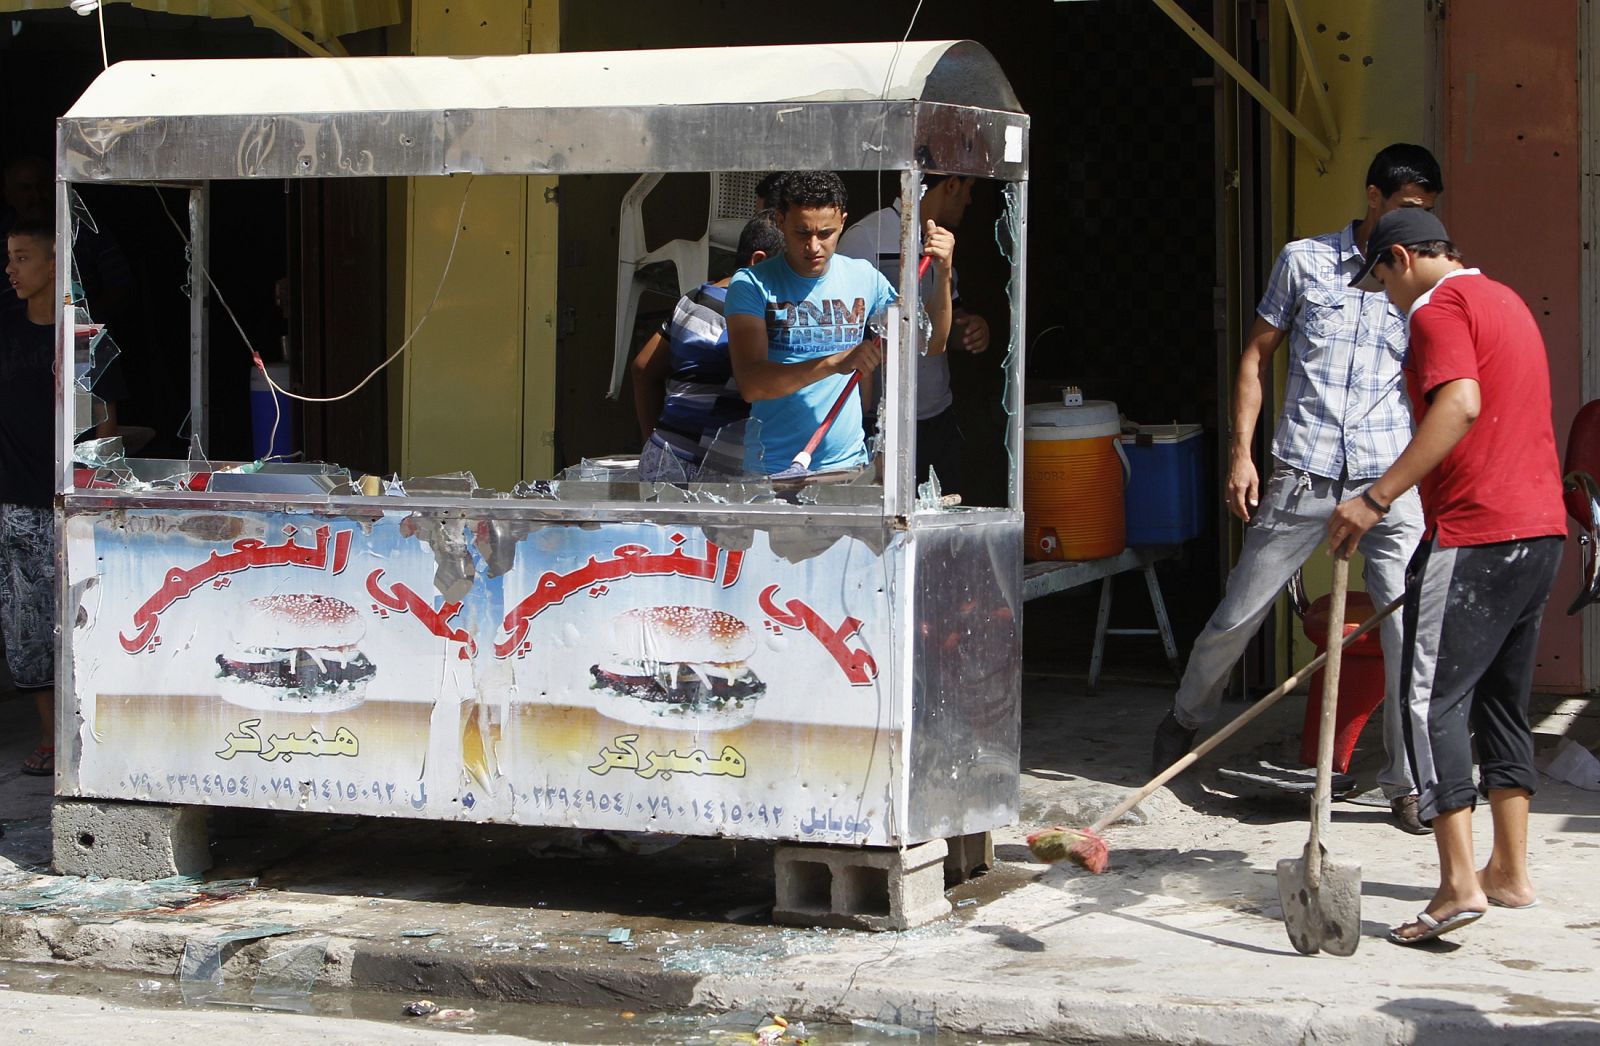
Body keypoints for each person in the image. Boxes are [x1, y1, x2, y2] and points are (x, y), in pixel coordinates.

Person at [1151, 144, 1443, 834]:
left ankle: (1408, 784)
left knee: (1406, 630)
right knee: (1238, 615)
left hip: (1386, 478)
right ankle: (1185, 720)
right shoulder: (1305, 262)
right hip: (1305, 471)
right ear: (1373, 198)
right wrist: (1241, 453)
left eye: (1426, 214)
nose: (1416, 227)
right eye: (1406, 209)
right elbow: (1256, 354)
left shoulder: (1423, 278)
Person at [1330, 209, 1565, 944]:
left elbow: (1460, 404)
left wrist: (1375, 498)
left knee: (1429, 704)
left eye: (1382, 280)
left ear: (1401, 258)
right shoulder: (1506, 299)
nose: (1387, 296)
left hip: (1476, 531)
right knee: (1501, 702)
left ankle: (1459, 882)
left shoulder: (1439, 309)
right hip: (1540, 531)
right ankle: (1509, 873)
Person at [725, 170, 954, 476]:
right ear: (780, 221)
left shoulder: (863, 276)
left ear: (843, 222)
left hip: (847, 466)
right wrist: (834, 363)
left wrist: (945, 272)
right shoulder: (751, 283)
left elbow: (931, 342)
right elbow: (752, 384)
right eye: (802, 233)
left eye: (826, 233)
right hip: (773, 469)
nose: (814, 246)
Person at [836, 174, 991, 492]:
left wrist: (974, 330)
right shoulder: (866, 238)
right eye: (969, 189)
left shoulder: (941, 244)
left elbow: (941, 336)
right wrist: (864, 419)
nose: (970, 200)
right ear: (951, 185)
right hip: (882, 422)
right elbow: (844, 334)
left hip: (937, 417)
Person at [631, 211, 785, 480]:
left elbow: (643, 368)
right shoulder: (747, 318)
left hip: (665, 456)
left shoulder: (694, 298)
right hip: (712, 473)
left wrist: (656, 442)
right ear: (758, 261)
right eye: (792, 269)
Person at [3, 218, 67, 776]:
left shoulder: (82, 337)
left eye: (23, 257)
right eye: (10, 258)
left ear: (53, 264)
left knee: (75, 620)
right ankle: (50, 738)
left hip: (69, 502)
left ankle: (79, 737)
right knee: (26, 627)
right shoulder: (6, 333)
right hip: (16, 504)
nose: (11, 269)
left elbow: (106, 429)